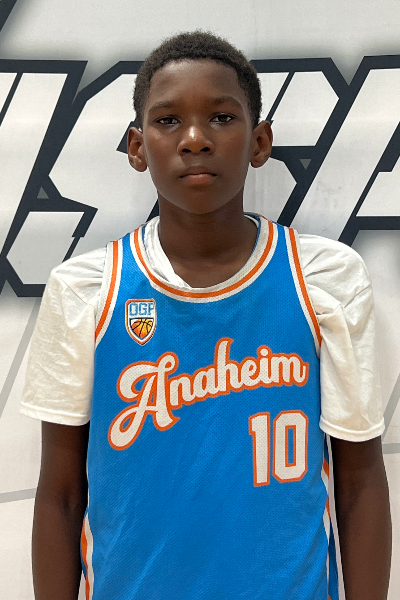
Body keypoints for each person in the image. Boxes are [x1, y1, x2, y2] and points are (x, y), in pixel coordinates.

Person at [21, 31, 391, 600]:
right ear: (137, 147)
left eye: (221, 117)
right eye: (168, 120)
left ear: (259, 141)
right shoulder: (86, 290)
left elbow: (360, 480)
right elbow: (61, 495)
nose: (195, 139)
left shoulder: (324, 279)